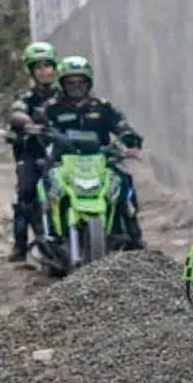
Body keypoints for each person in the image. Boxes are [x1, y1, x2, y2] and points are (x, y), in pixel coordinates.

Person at [38, 55, 147, 250]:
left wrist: (129, 136)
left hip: (101, 160)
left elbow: (120, 124)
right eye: (70, 82)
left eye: (81, 82)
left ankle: (132, 235)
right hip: (63, 162)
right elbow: (40, 126)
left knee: (124, 184)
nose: (76, 86)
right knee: (47, 186)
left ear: (88, 83)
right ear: (62, 84)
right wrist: (40, 132)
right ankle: (51, 234)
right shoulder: (51, 108)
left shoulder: (102, 106)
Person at [4, 42, 60, 262]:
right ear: (31, 71)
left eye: (48, 66)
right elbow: (16, 113)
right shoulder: (26, 97)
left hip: (61, 155)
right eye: (39, 67)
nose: (45, 71)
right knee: (26, 192)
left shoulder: (66, 94)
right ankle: (20, 245)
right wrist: (26, 122)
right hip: (33, 153)